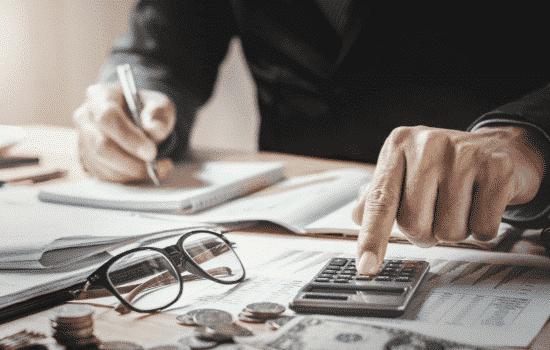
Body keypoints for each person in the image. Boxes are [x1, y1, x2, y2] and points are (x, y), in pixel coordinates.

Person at [73, 1, 550, 275]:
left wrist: (526, 137)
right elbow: (160, 50)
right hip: (280, 234)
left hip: (492, 230)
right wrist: (131, 101)